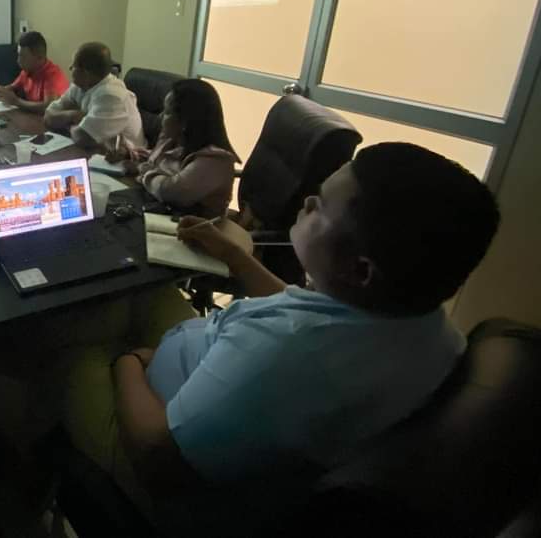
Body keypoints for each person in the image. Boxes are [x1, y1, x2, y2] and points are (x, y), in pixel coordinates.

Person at [61, 143, 500, 525]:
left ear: (361, 270)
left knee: (64, 344)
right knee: (142, 291)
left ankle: (39, 470)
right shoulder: (425, 325)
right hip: (213, 368)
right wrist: (237, 258)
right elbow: (308, 313)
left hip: (155, 444)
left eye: (321, 206)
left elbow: (157, 460)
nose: (307, 201)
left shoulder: (291, 357)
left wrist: (128, 362)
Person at [106, 79, 240, 218]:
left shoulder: (215, 161)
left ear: (186, 121)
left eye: (167, 112)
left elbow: (170, 191)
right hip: (157, 209)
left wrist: (143, 170)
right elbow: (157, 161)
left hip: (190, 226)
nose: (160, 116)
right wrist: (129, 154)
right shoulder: (174, 140)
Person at [44, 42, 145, 148]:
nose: (70, 68)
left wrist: (65, 122)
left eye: (73, 66)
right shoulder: (79, 86)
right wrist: (73, 115)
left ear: (85, 72)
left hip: (126, 156)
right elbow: (48, 117)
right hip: (97, 151)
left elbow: (82, 138)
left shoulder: (111, 96)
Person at [0, 31, 69, 113]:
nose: (18, 61)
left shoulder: (53, 75)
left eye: (23, 57)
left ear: (39, 58)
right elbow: (12, 87)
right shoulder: (27, 71)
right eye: (19, 55)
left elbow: (48, 107)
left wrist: (16, 101)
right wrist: (1, 92)